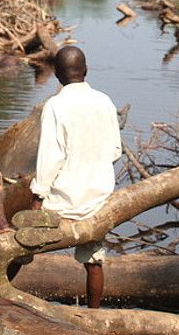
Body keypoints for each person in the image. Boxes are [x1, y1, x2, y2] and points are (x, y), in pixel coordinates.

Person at [30, 45, 121, 309]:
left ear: (57, 74)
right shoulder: (104, 101)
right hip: (98, 199)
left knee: (18, 239)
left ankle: (4, 303)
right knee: (94, 260)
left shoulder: (56, 105)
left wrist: (37, 198)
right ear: (86, 71)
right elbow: (115, 151)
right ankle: (94, 316)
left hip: (64, 202)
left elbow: (50, 158)